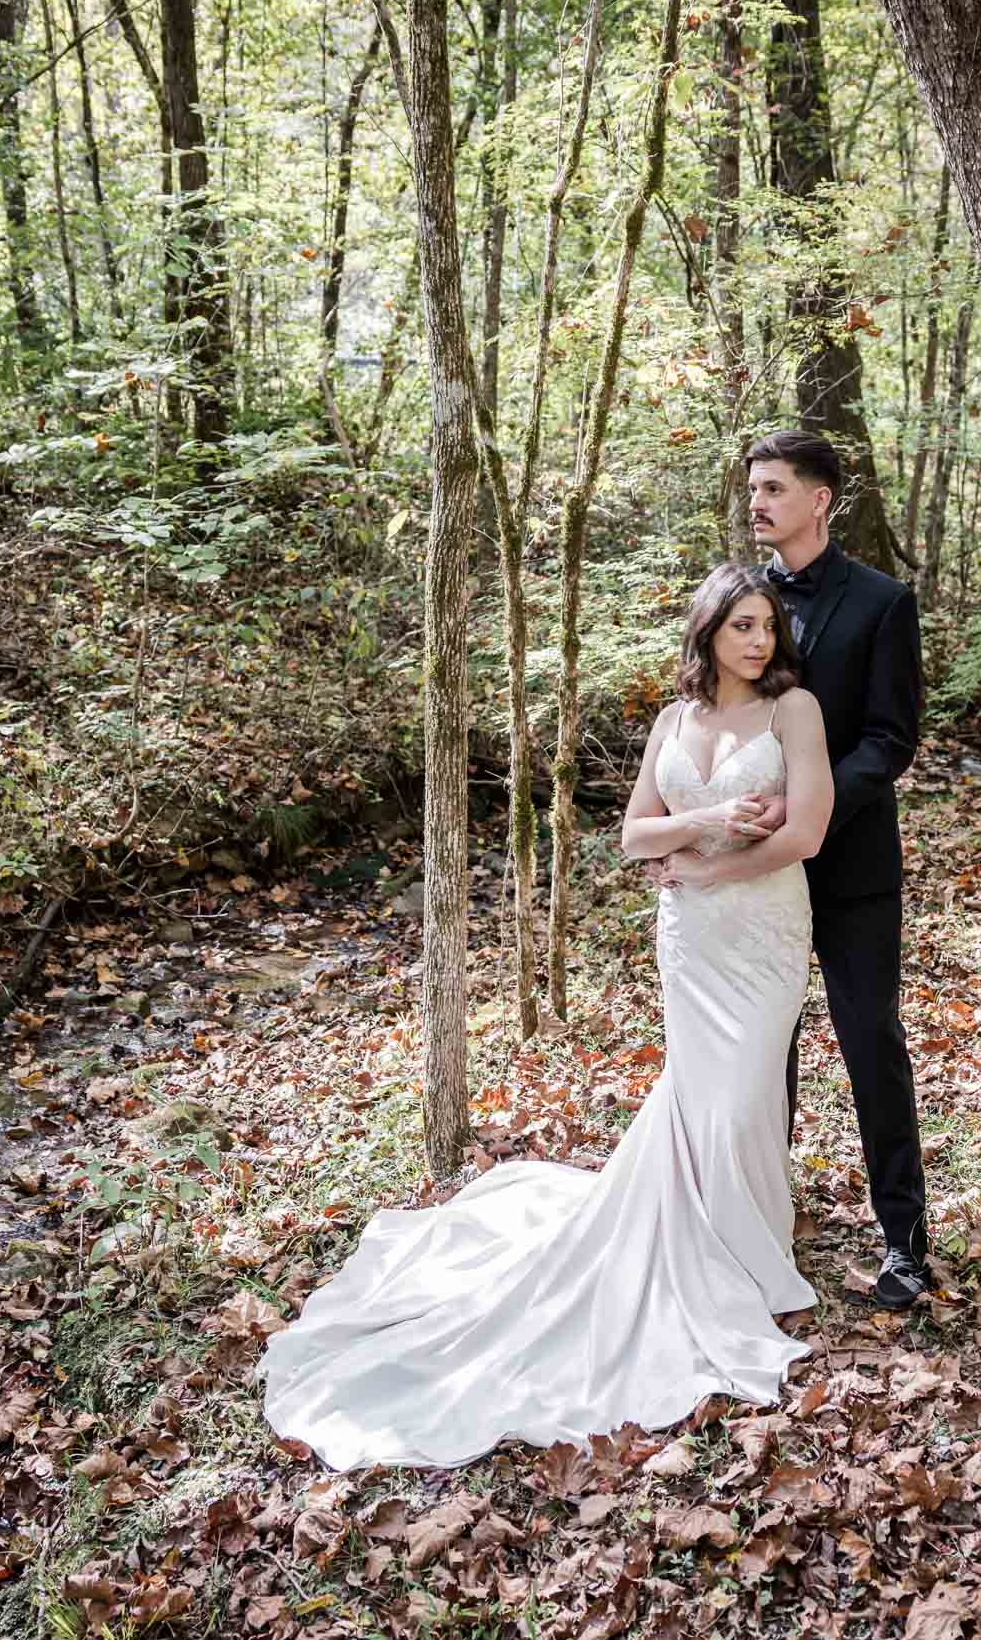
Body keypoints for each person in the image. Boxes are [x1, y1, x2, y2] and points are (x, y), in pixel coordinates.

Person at [256, 564, 834, 1470]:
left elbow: (807, 833)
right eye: (742, 627)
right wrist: (713, 817)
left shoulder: (793, 710)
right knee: (700, 1097)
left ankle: (750, 1254)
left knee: (742, 1098)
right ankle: (734, 1252)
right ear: (709, 634)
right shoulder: (674, 722)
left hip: (761, 930)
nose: (759, 642)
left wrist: (715, 864)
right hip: (687, 937)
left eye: (767, 626)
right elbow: (634, 833)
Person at [741, 428, 931, 1308]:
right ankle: (758, 1227)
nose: (758, 501)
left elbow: (891, 740)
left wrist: (809, 804)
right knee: (759, 1052)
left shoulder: (884, 601)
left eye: (774, 487)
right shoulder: (739, 600)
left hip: (852, 866)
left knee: (871, 1047)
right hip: (753, 870)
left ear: (820, 499)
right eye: (753, 487)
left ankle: (903, 1242)